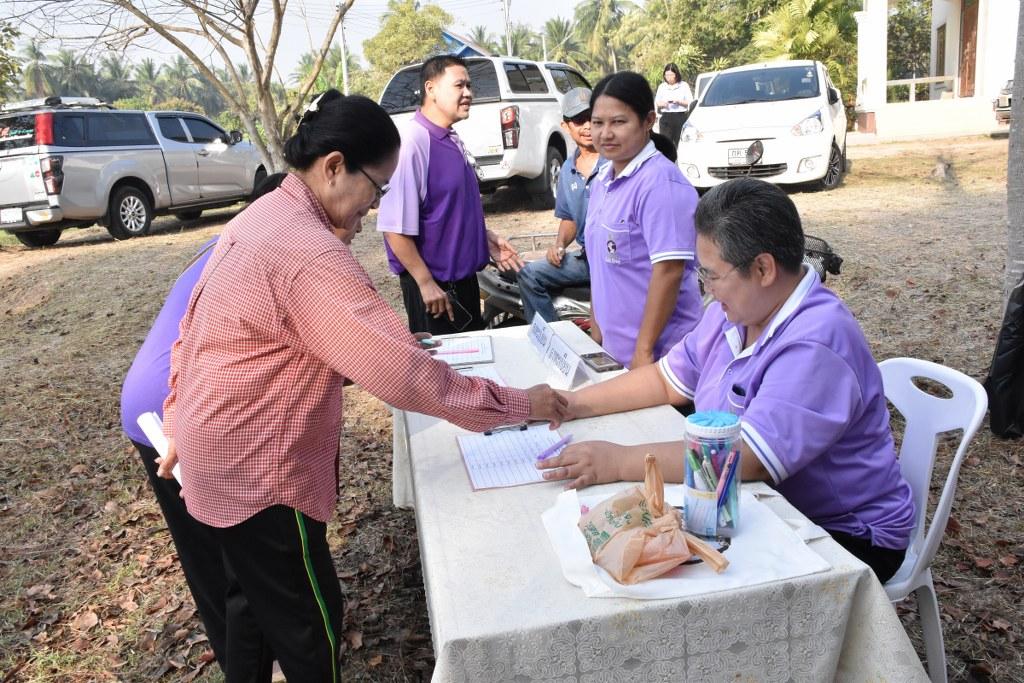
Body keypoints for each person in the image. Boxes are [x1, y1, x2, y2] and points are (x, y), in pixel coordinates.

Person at [158, 91, 568, 683]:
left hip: (216, 455)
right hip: (261, 471)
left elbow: (196, 328)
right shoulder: (308, 251)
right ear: (333, 167)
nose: (375, 208)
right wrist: (515, 404)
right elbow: (400, 371)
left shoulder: (262, 215)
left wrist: (178, 416)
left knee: (250, 603)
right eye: (377, 190)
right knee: (309, 622)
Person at [537, 178, 915, 583]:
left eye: (713, 276)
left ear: (763, 268)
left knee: (670, 576)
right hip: (756, 500)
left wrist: (619, 461)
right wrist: (573, 403)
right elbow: (668, 380)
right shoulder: (737, 310)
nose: (708, 290)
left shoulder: (817, 340)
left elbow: (747, 458)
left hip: (845, 532)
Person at [119, 172, 286, 676]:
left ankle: (250, 660)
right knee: (237, 562)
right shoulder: (259, 256)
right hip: (179, 409)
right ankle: (256, 665)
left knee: (208, 558)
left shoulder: (225, 242)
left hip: (146, 405)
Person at [377, 55, 523, 334]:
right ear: (431, 89)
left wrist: (485, 238)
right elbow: (394, 229)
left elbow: (446, 208)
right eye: (459, 85)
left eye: (469, 85)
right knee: (445, 373)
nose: (468, 93)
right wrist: (425, 283)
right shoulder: (414, 142)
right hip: (436, 293)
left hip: (464, 283)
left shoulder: (451, 137)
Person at [585, 71, 703, 369]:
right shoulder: (603, 180)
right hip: (617, 351)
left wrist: (644, 350)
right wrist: (596, 325)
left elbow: (669, 271)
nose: (605, 133)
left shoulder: (660, 183)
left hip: (660, 356)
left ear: (649, 121)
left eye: (618, 122)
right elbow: (600, 264)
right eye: (598, 123)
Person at [516, 87, 606, 323]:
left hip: (617, 260)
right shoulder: (567, 169)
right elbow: (569, 218)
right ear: (566, 126)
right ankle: (554, 341)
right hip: (587, 260)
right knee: (528, 274)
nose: (587, 126)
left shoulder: (618, 161)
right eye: (579, 121)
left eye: (592, 119)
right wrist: (559, 245)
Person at [654, 63, 693, 149]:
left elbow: (690, 101)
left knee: (681, 143)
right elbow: (657, 102)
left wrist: (679, 102)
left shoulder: (683, 85)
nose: (668, 77)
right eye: (666, 75)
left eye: (671, 75)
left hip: (680, 116)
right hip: (666, 117)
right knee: (666, 145)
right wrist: (663, 104)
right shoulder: (662, 87)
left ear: (676, 74)